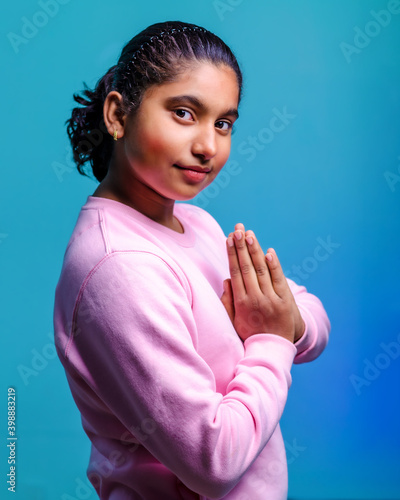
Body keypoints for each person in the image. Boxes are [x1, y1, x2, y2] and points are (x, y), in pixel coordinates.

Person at [54, 20, 330, 500]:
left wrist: (279, 326)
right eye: (184, 113)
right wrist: (269, 337)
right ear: (118, 114)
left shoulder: (195, 223)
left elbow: (311, 319)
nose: (208, 146)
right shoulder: (118, 268)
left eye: (224, 123)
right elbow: (213, 461)